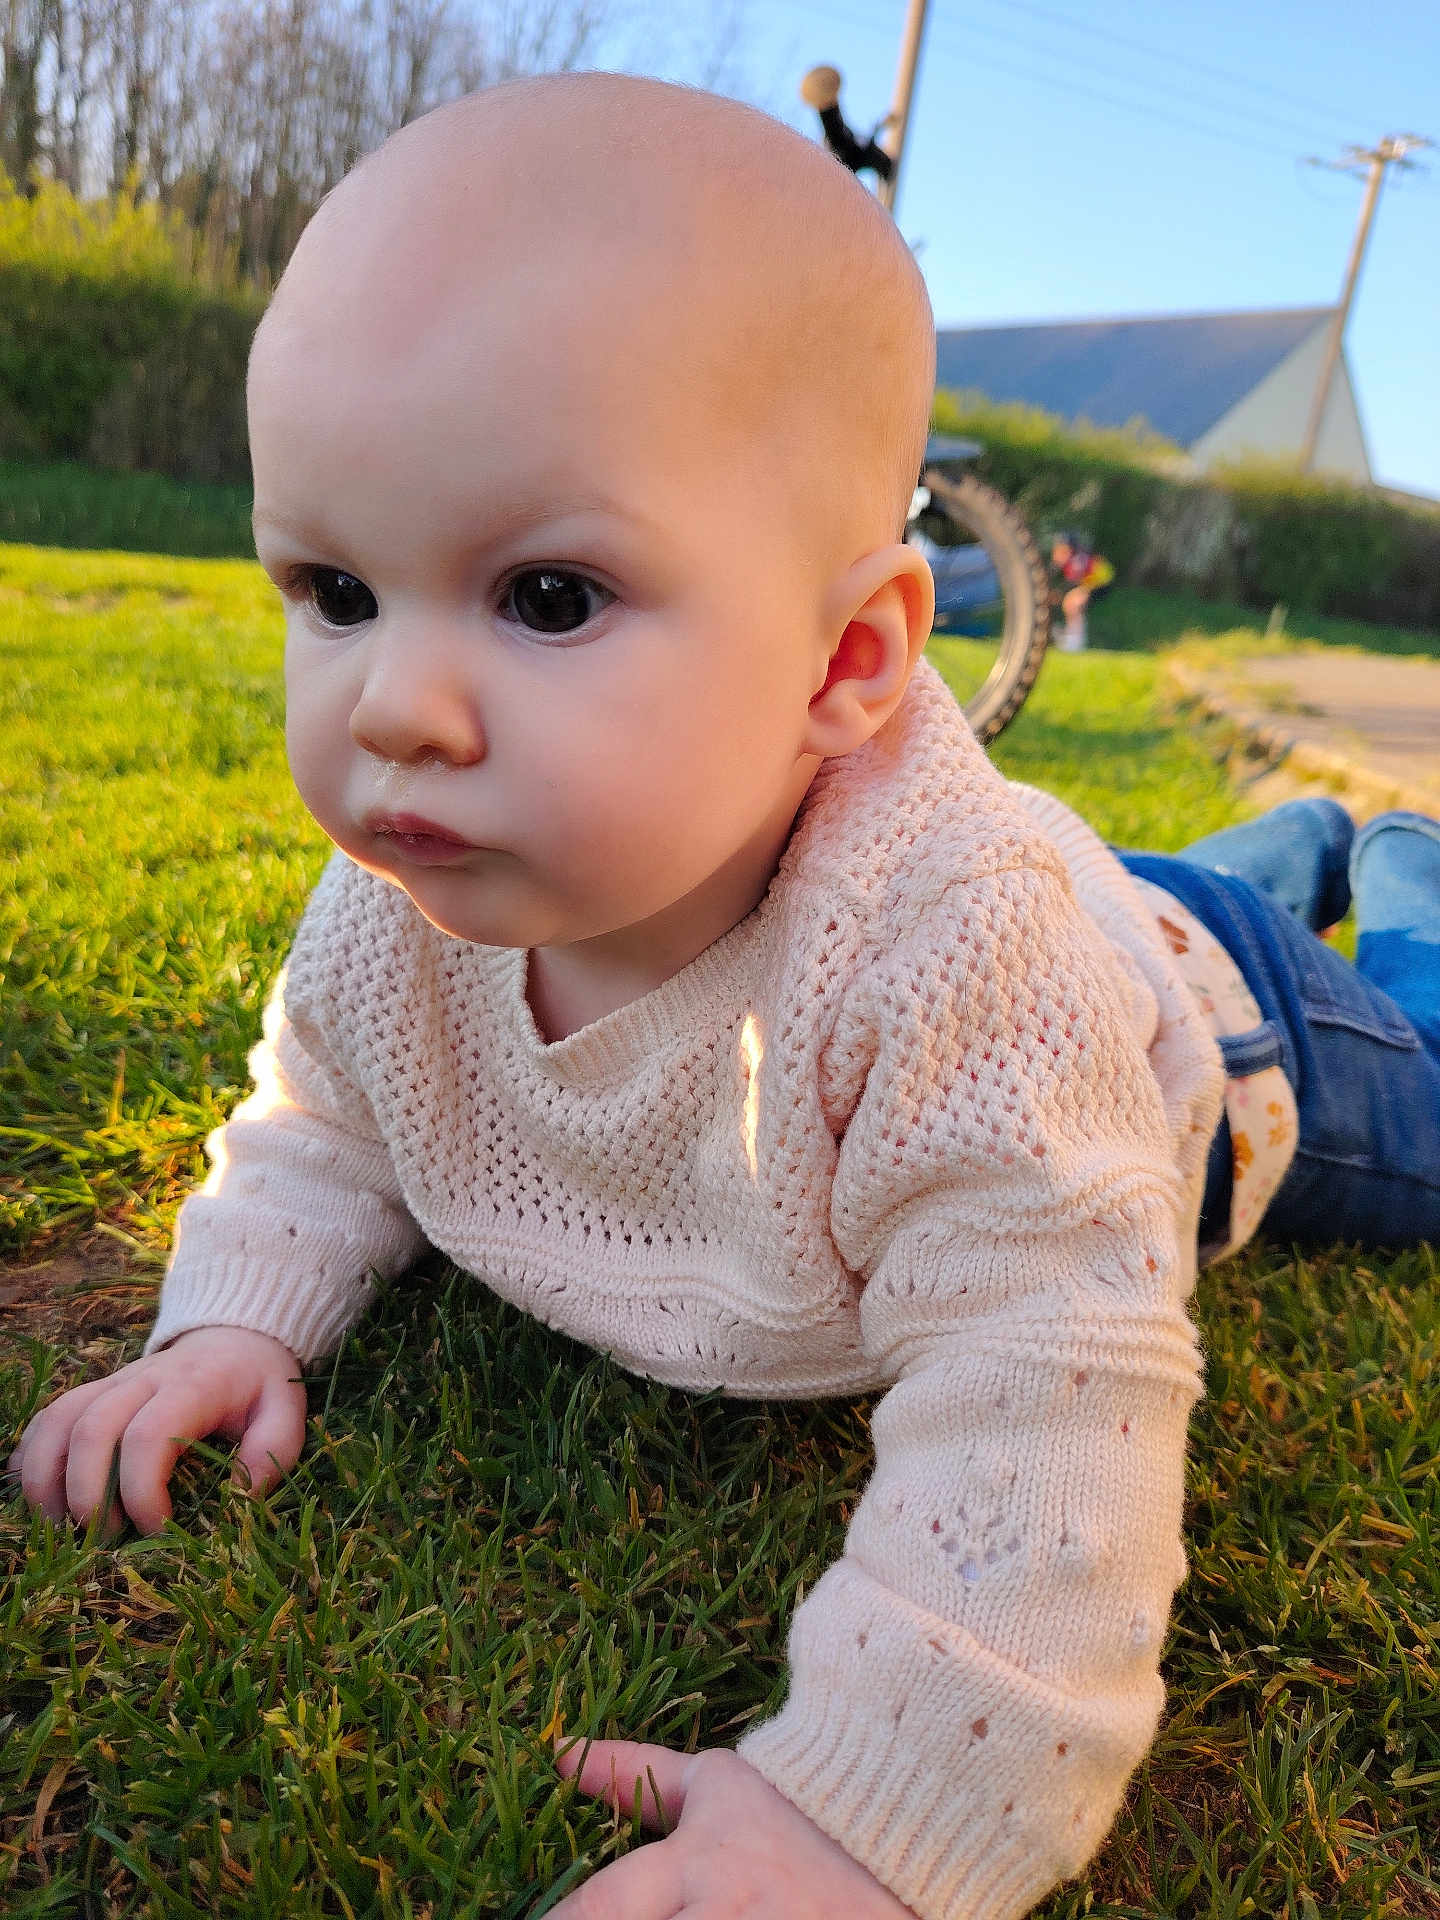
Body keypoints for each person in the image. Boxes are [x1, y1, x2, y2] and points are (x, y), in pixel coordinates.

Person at [8, 74, 1440, 1920]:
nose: (391, 705)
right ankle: (1305, 836)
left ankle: (1388, 869)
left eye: (542, 597)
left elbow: (1047, 1383)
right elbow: (322, 1122)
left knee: (1397, 1020)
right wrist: (232, 1319)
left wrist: (875, 1813)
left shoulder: (957, 976)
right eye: (337, 587)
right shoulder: (401, 896)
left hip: (1223, 1033)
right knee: (1194, 886)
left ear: (848, 658)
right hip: (1103, 906)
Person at [1050, 531, 1115, 652]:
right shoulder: (1071, 560)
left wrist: (1058, 593)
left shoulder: (1077, 561)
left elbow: (1075, 582)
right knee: (1069, 602)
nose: (1057, 554)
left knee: (1072, 603)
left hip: (1102, 583)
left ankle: (1075, 642)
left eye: (1063, 551)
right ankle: (1071, 636)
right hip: (1093, 583)